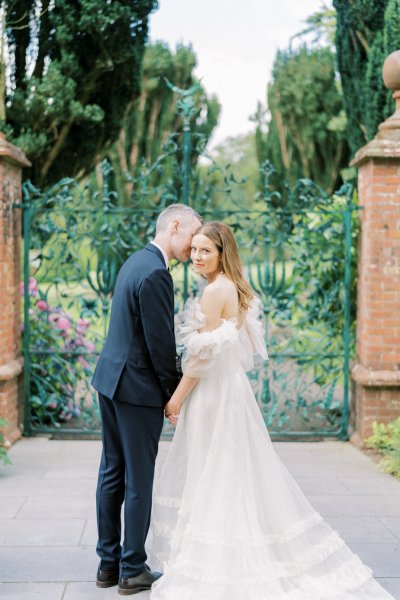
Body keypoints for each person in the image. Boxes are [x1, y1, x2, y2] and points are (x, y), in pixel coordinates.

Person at [145, 221, 395, 600]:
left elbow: (200, 359)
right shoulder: (236, 288)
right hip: (231, 391)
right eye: (193, 249)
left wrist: (176, 399)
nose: (196, 257)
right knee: (229, 470)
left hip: (213, 394)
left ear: (222, 253)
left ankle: (218, 560)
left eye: (204, 251)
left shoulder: (215, 292)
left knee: (212, 470)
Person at [91, 204, 202, 596]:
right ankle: (132, 568)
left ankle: (108, 564)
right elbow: (160, 346)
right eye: (193, 235)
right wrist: (173, 394)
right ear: (175, 226)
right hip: (136, 389)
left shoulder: (134, 262)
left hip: (109, 381)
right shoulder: (156, 273)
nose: (195, 245)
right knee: (139, 479)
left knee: (112, 472)